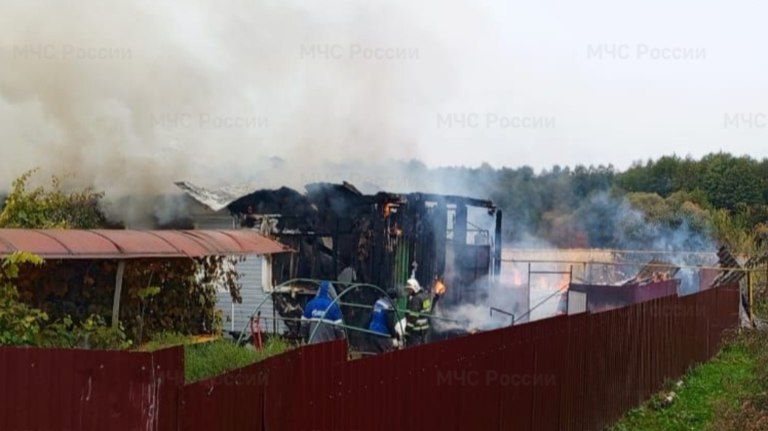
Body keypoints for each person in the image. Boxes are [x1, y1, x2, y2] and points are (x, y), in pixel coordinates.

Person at [404, 278, 431, 346]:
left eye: (409, 289)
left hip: (416, 331)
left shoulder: (416, 299)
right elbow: (428, 312)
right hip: (425, 329)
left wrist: (407, 331)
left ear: (414, 288)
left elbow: (413, 317)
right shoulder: (426, 296)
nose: (408, 291)